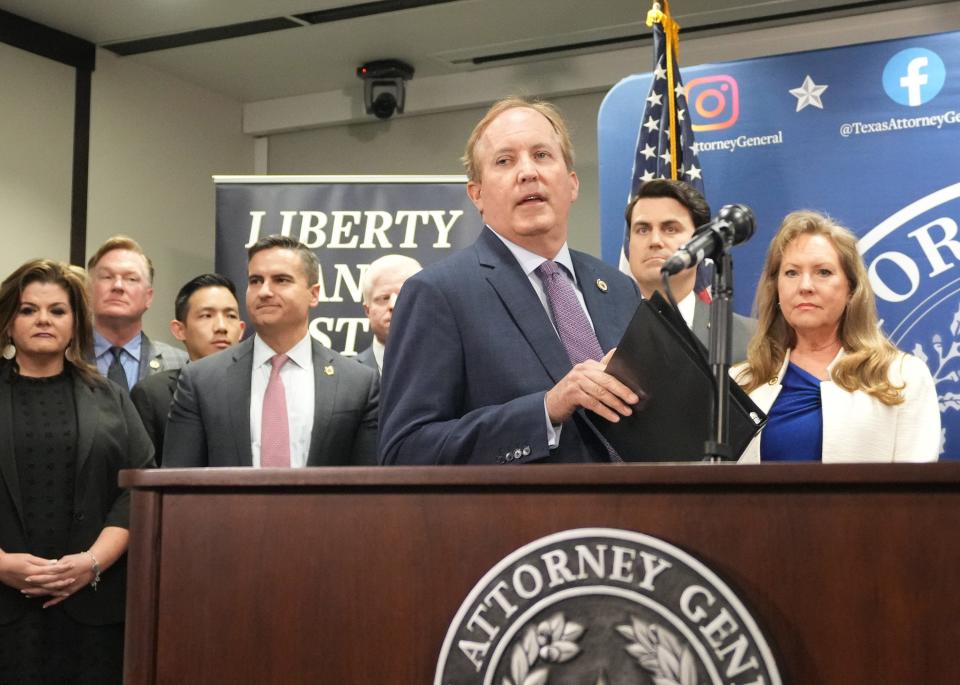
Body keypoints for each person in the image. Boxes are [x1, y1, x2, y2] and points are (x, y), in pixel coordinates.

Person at [378, 97, 641, 466]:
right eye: (505, 161)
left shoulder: (618, 287)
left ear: (572, 183)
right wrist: (545, 411)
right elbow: (405, 451)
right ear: (477, 195)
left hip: (634, 518)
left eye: (542, 155)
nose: (528, 172)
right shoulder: (438, 294)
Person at [0, 259, 154, 683]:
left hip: (92, 607)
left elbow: (138, 488)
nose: (43, 319)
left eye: (57, 310)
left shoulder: (110, 398)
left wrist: (92, 562)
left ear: (75, 323)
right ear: (9, 322)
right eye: (28, 309)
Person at [733, 210, 940, 462]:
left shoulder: (902, 375)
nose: (805, 286)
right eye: (791, 273)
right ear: (776, 289)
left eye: (823, 272)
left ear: (851, 289)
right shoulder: (742, 383)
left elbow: (918, 494)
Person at [163, 235, 379, 467]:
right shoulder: (201, 380)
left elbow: (369, 486)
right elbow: (178, 483)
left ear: (314, 294)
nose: (264, 291)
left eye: (281, 280)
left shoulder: (358, 384)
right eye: (255, 280)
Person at [626, 178, 754, 362]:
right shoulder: (602, 329)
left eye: (670, 229)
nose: (655, 241)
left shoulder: (750, 338)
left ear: (701, 241)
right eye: (643, 230)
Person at [130, 274, 245, 461]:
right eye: (207, 315)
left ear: (241, 330)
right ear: (179, 330)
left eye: (230, 316)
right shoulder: (152, 395)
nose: (221, 327)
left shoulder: (259, 388)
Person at [87, 235, 187, 391]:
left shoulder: (180, 364)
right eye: (107, 277)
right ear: (89, 291)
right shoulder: (66, 358)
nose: (118, 286)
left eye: (131, 279)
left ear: (148, 297)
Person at [356, 254, 422, 374]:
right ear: (367, 310)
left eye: (404, 295)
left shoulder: (452, 370)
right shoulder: (347, 376)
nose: (393, 305)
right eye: (384, 298)